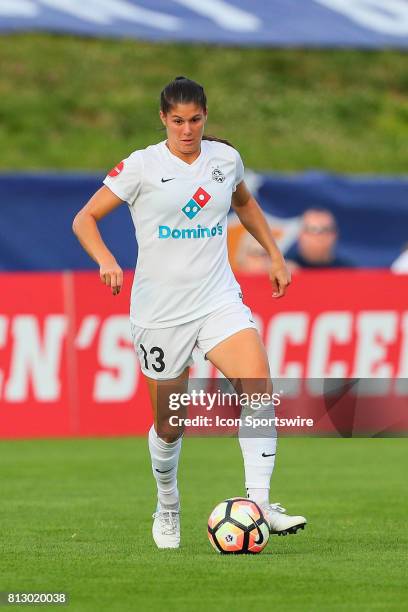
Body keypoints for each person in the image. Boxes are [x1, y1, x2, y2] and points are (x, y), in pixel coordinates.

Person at [72, 76, 306, 549]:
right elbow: (85, 218)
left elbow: (243, 202)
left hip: (217, 299)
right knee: (168, 423)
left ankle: (258, 504)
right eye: (177, 121)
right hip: (160, 313)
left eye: (195, 120)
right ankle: (167, 505)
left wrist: (275, 254)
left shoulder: (224, 160)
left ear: (205, 117)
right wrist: (106, 259)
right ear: (163, 119)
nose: (186, 130)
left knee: (257, 385)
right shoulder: (141, 167)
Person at [286, 208, 353, 270]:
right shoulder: (283, 270)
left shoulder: (346, 272)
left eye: (326, 229)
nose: (320, 236)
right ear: (300, 235)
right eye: (313, 230)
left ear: (335, 235)